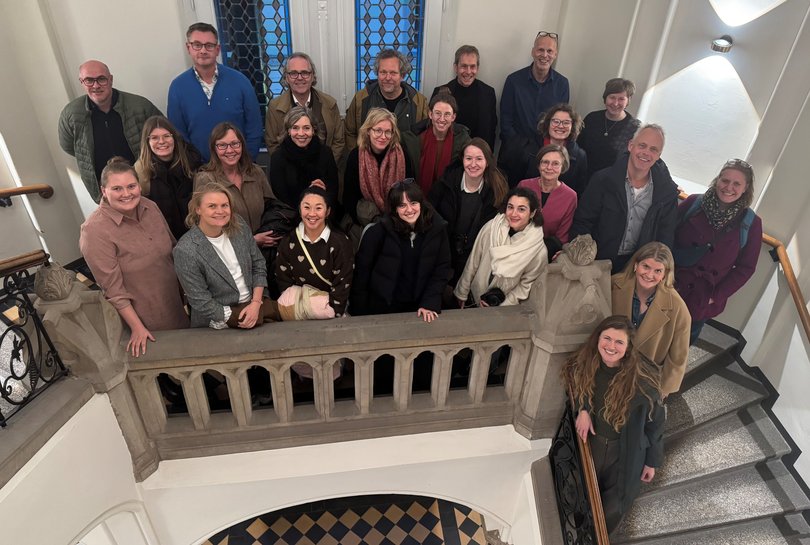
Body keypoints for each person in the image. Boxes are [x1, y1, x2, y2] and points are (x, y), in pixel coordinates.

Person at [562, 315, 664, 534]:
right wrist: (583, 409)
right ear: (598, 338)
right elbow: (578, 384)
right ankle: (574, 528)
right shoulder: (586, 361)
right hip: (593, 441)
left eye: (619, 342)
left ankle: (597, 536)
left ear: (628, 348)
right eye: (607, 338)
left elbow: (655, 424)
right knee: (581, 487)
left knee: (615, 501)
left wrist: (651, 462)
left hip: (624, 448)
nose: (611, 346)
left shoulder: (643, 382)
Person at [79, 157, 188, 357]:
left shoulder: (150, 206)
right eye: (117, 189)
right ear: (104, 191)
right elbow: (114, 291)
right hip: (145, 318)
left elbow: (173, 249)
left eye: (131, 186)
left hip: (174, 303)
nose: (126, 194)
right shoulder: (94, 231)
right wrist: (137, 327)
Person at [674, 159, 763, 344]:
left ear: (746, 187)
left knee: (679, 347)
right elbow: (667, 235)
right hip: (671, 285)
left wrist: (716, 296)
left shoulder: (751, 223)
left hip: (701, 298)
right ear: (718, 180)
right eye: (725, 180)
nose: (728, 187)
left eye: (736, 183)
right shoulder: (694, 203)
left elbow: (746, 268)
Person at [570, 124, 678, 273]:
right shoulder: (602, 180)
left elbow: (665, 237)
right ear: (630, 146)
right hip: (595, 262)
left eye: (653, 149)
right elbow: (583, 222)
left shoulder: (667, 192)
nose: (646, 153)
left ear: (659, 155)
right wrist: (579, 257)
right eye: (642, 145)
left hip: (637, 270)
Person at [173, 182, 277, 329]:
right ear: (198, 209)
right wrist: (237, 317)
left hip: (255, 306)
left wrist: (255, 303)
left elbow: (258, 264)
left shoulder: (239, 225)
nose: (220, 211)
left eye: (224, 205)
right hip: (216, 322)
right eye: (212, 206)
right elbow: (200, 300)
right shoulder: (185, 250)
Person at [58, 60, 162, 203]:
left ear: (111, 79)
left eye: (101, 79)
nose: (96, 85)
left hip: (148, 186)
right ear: (81, 82)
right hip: (106, 194)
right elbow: (70, 147)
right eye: (89, 80)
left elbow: (164, 136)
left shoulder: (140, 106)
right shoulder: (71, 114)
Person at [350, 182, 451, 322]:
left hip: (421, 307)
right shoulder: (377, 233)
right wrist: (359, 312)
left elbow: (441, 268)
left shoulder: (437, 230)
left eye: (413, 203)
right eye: (402, 205)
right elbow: (362, 274)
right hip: (383, 309)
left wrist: (430, 301)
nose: (409, 210)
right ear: (394, 209)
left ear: (421, 204)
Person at [168, 22, 262, 161]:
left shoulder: (240, 82)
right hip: (198, 169)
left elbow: (254, 128)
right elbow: (178, 135)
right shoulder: (178, 87)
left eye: (209, 45)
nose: (203, 51)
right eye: (197, 45)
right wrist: (193, 166)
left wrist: (246, 162)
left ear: (217, 49)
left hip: (239, 166)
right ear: (188, 48)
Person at [612, 242, 690, 396]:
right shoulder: (613, 285)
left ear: (665, 274)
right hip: (607, 371)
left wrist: (659, 394)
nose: (649, 275)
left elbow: (677, 360)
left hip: (642, 384)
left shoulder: (678, 308)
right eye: (646, 266)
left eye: (657, 271)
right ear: (636, 265)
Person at [429, 138, 508, 285]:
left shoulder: (498, 189)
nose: (473, 164)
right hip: (444, 251)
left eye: (479, 159)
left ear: (487, 161)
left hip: (476, 256)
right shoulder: (445, 183)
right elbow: (430, 214)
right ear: (462, 160)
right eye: (469, 158)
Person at [454, 187, 547, 307]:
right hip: (473, 297)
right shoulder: (492, 228)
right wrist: (462, 292)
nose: (514, 214)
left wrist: (501, 307)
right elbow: (473, 261)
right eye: (510, 207)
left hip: (504, 308)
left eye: (521, 209)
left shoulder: (538, 251)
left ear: (532, 213)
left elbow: (526, 285)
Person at [499, 31, 569, 186]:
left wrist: (546, 153)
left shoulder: (562, 84)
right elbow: (505, 119)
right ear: (533, 52)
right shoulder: (513, 81)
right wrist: (518, 147)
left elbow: (561, 123)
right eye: (540, 50)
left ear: (555, 54)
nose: (544, 55)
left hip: (544, 157)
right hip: (514, 153)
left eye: (549, 51)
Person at [194, 122, 280, 249]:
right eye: (222, 145)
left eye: (235, 144)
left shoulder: (256, 172)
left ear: (242, 145)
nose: (230, 150)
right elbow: (205, 226)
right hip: (227, 252)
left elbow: (271, 207)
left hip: (263, 250)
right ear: (214, 149)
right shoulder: (206, 179)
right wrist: (252, 240)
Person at [275, 186, 354, 318]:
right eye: (307, 207)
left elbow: (343, 284)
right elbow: (283, 280)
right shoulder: (288, 241)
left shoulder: (340, 242)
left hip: (331, 311)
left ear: (327, 211)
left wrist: (332, 311)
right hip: (298, 309)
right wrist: (296, 307)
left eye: (318, 208)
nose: (312, 214)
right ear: (300, 209)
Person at [264, 52, 345, 163]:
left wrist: (325, 166)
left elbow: (338, 141)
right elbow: (272, 144)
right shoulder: (275, 108)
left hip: (324, 170)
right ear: (286, 78)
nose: (300, 78)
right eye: (293, 73)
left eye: (305, 73)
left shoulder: (330, 104)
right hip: (289, 171)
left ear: (312, 76)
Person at [345, 49, 429, 153]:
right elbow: (350, 132)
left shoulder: (419, 102)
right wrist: (359, 156)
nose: (388, 78)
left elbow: (425, 137)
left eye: (393, 73)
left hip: (405, 161)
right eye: (383, 72)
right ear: (377, 73)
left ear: (402, 75)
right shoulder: (361, 99)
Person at [134, 116, 203, 240]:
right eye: (154, 137)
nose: (161, 141)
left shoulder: (192, 163)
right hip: (165, 239)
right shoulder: (141, 172)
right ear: (147, 141)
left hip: (199, 234)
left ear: (174, 138)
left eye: (166, 136)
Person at [343, 108, 413, 227]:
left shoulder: (402, 155)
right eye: (378, 131)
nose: (383, 136)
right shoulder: (356, 156)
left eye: (388, 132)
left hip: (398, 219)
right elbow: (349, 198)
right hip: (365, 221)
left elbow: (410, 191)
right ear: (368, 131)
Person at [268, 106, 339, 211]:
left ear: (313, 130)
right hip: (290, 215)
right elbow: (281, 198)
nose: (301, 133)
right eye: (295, 128)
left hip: (323, 213)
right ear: (288, 131)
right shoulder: (278, 158)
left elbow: (333, 191)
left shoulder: (326, 153)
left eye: (306, 128)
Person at [431, 45, 497, 149]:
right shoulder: (440, 92)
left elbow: (491, 130)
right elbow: (432, 129)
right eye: (464, 66)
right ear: (455, 67)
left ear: (478, 68)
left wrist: (487, 155)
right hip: (448, 154)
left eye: (472, 66)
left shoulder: (488, 93)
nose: (468, 71)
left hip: (478, 155)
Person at [517, 144, 578, 257]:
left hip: (548, 251)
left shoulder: (571, 196)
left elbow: (562, 236)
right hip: (517, 245)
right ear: (539, 165)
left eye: (555, 164)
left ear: (563, 167)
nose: (549, 167)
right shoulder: (524, 185)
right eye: (545, 162)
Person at [407, 91, 471, 195]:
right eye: (438, 113)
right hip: (417, 197)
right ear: (430, 114)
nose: (442, 119)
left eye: (447, 114)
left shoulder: (463, 142)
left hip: (449, 198)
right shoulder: (414, 140)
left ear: (453, 117)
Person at [578, 78, 641, 179]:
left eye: (621, 99)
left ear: (628, 101)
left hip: (608, 182)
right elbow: (578, 147)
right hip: (581, 176)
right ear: (605, 98)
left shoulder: (634, 127)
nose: (615, 103)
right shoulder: (592, 118)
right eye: (612, 97)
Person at [529, 104, 588, 196]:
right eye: (556, 121)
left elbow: (579, 190)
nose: (560, 126)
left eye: (566, 122)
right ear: (548, 124)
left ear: (572, 126)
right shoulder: (529, 148)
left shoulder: (580, 156)